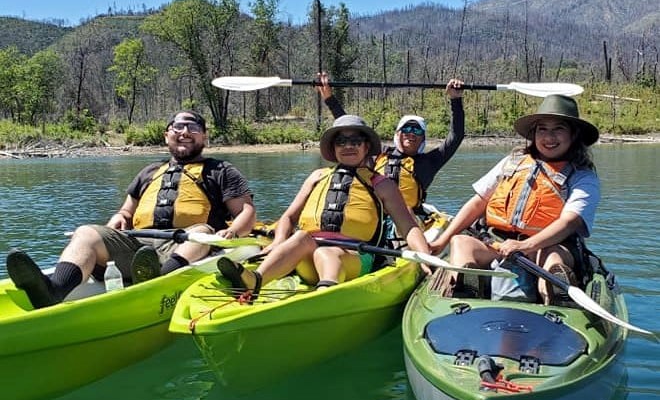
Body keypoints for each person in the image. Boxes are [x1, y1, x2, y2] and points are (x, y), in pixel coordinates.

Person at [7, 110, 256, 309]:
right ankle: (53, 290)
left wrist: (233, 231)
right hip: (139, 249)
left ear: (204, 137)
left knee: (201, 231)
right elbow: (126, 211)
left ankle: (157, 280)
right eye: (177, 128)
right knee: (86, 233)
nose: (185, 133)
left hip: (188, 244)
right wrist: (119, 217)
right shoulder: (149, 172)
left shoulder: (220, 170)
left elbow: (246, 212)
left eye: (193, 128)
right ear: (166, 135)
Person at [217, 114, 431, 298]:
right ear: (333, 147)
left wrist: (423, 255)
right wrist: (279, 242)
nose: (348, 146)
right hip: (308, 258)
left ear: (366, 147)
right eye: (341, 141)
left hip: (355, 258)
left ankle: (326, 292)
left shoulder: (382, 184)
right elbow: (289, 218)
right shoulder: (317, 176)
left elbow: (408, 226)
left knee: (326, 253)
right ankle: (255, 280)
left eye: (355, 141)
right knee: (301, 238)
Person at [428, 94, 600, 304]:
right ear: (534, 134)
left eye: (558, 129)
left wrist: (526, 245)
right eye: (542, 129)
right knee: (461, 243)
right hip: (496, 243)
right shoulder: (512, 162)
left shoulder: (582, 176)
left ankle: (555, 296)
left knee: (553, 259)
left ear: (574, 135)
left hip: (546, 247)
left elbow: (569, 222)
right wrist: (442, 240)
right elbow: (478, 202)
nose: (549, 137)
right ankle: (466, 291)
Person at [315, 72, 465, 216]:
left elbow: (456, 136)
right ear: (398, 133)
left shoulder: (431, 161)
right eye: (406, 128)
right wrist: (329, 98)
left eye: (417, 130)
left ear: (423, 138)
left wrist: (455, 99)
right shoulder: (378, 152)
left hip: (410, 218)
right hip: (375, 216)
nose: (411, 133)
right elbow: (350, 127)